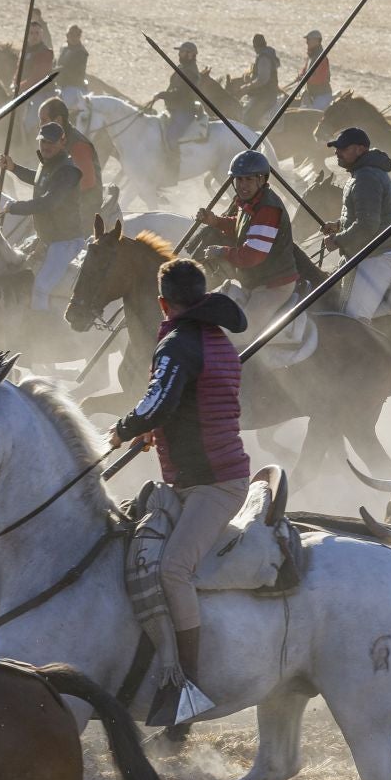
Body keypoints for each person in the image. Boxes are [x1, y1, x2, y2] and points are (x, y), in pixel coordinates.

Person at [108, 257, 249, 725]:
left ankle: (187, 682)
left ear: (163, 302)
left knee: (173, 569)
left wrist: (127, 428)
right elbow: (186, 402)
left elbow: (158, 401)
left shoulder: (178, 342)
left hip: (214, 485)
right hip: (193, 479)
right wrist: (157, 430)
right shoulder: (210, 338)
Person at [196, 149, 298, 337]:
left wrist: (222, 251)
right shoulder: (251, 201)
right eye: (239, 179)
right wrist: (215, 221)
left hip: (273, 287)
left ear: (262, 180)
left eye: (249, 179)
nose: (243, 185)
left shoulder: (268, 208)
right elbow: (243, 225)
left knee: (242, 334)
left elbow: (252, 256)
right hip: (256, 282)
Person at [0, 122, 86, 312]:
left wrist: (15, 207)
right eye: (43, 141)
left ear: (62, 142)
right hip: (48, 238)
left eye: (51, 142)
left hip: (65, 241)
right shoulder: (49, 165)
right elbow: (39, 179)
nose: (46, 146)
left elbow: (48, 203)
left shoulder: (68, 171)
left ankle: (41, 329)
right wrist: (13, 168)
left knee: (40, 288)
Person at [320, 126, 391, 319]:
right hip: (367, 253)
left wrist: (337, 240)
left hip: (378, 256)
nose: (337, 152)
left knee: (354, 318)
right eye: (336, 148)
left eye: (342, 148)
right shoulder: (362, 173)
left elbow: (367, 225)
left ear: (360, 149)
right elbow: (363, 216)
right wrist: (339, 225)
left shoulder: (366, 177)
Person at [149, 41, 203, 165]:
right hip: (175, 109)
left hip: (184, 111)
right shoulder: (183, 68)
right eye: (180, 52)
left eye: (182, 52)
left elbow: (180, 93)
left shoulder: (190, 73)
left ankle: (173, 166)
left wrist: (162, 95)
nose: (179, 54)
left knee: (171, 137)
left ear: (190, 55)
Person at [243, 33, 281, 124]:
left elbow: (263, 79)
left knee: (249, 118)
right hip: (267, 94)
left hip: (265, 96)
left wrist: (248, 86)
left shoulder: (264, 58)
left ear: (254, 46)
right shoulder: (268, 55)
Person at [17, 15, 55, 90]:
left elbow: (37, 77)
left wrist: (20, 86)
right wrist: (14, 82)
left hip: (39, 91)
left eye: (37, 33)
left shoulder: (45, 53)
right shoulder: (25, 50)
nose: (34, 36)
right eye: (31, 33)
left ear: (41, 35)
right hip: (23, 89)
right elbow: (18, 70)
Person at [300, 29, 332, 110]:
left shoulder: (322, 58)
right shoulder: (311, 56)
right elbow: (305, 70)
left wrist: (306, 78)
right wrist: (301, 75)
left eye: (309, 40)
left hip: (322, 95)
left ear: (317, 41)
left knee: (313, 115)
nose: (307, 42)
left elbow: (319, 78)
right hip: (311, 93)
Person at [58, 23, 89, 90]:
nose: (73, 37)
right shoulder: (64, 48)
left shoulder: (81, 52)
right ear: (67, 35)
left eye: (77, 35)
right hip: (61, 84)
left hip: (74, 86)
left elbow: (75, 72)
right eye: (71, 34)